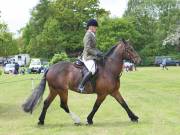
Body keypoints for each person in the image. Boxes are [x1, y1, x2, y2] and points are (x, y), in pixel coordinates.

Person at [78, 19, 103, 92]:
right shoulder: (88, 35)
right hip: (87, 56)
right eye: (95, 27)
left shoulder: (92, 35)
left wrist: (100, 53)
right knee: (92, 69)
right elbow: (88, 48)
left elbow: (94, 48)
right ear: (91, 27)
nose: (96, 29)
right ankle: (81, 86)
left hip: (92, 55)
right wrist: (96, 53)